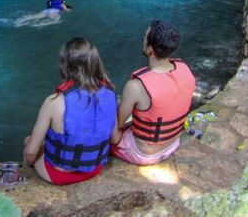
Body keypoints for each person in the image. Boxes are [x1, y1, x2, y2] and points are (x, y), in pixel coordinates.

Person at [23, 38, 117, 185]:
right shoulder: (110, 94)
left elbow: (30, 152)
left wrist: (29, 165)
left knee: (28, 141)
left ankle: (26, 176)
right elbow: (115, 138)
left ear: (65, 67)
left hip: (59, 175)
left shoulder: (53, 102)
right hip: (94, 168)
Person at [111, 20, 196, 166]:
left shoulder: (136, 86)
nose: (142, 40)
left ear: (150, 50)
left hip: (144, 153)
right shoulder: (185, 69)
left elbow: (118, 124)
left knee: (107, 115)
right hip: (172, 143)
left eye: (144, 38)